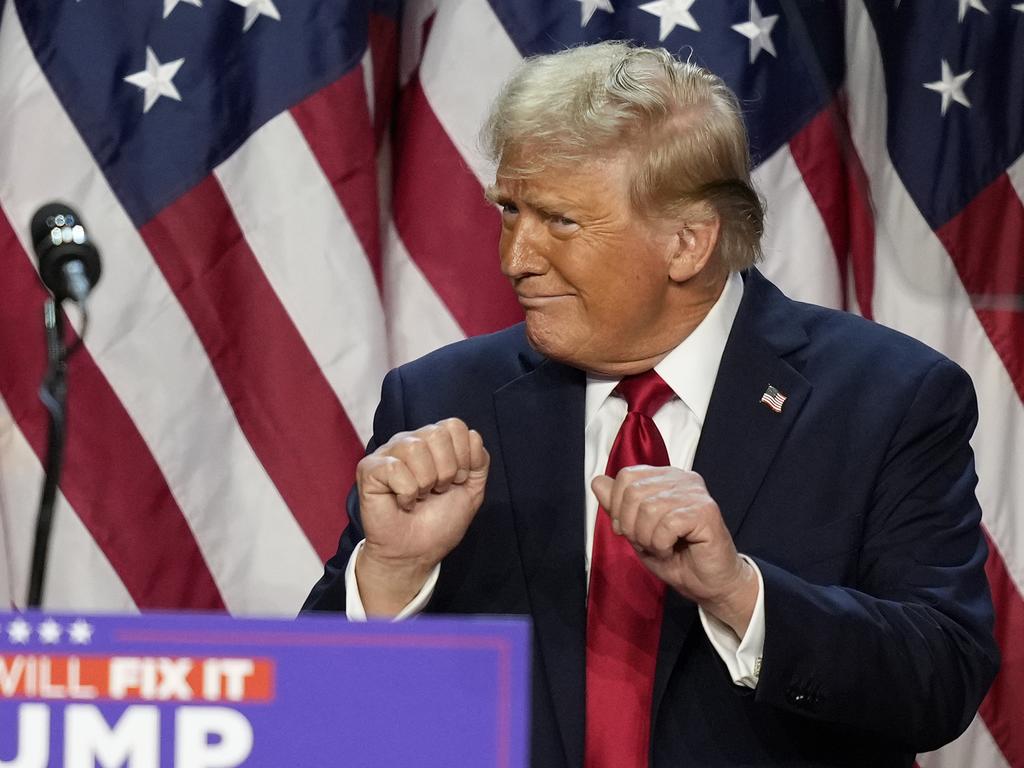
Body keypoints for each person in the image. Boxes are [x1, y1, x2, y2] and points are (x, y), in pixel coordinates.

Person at [303, 41, 998, 767]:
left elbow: (941, 679)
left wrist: (740, 594)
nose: (516, 256)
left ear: (689, 242)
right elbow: (324, 717)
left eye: (560, 221)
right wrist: (390, 574)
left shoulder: (887, 398)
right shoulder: (444, 399)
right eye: (510, 210)